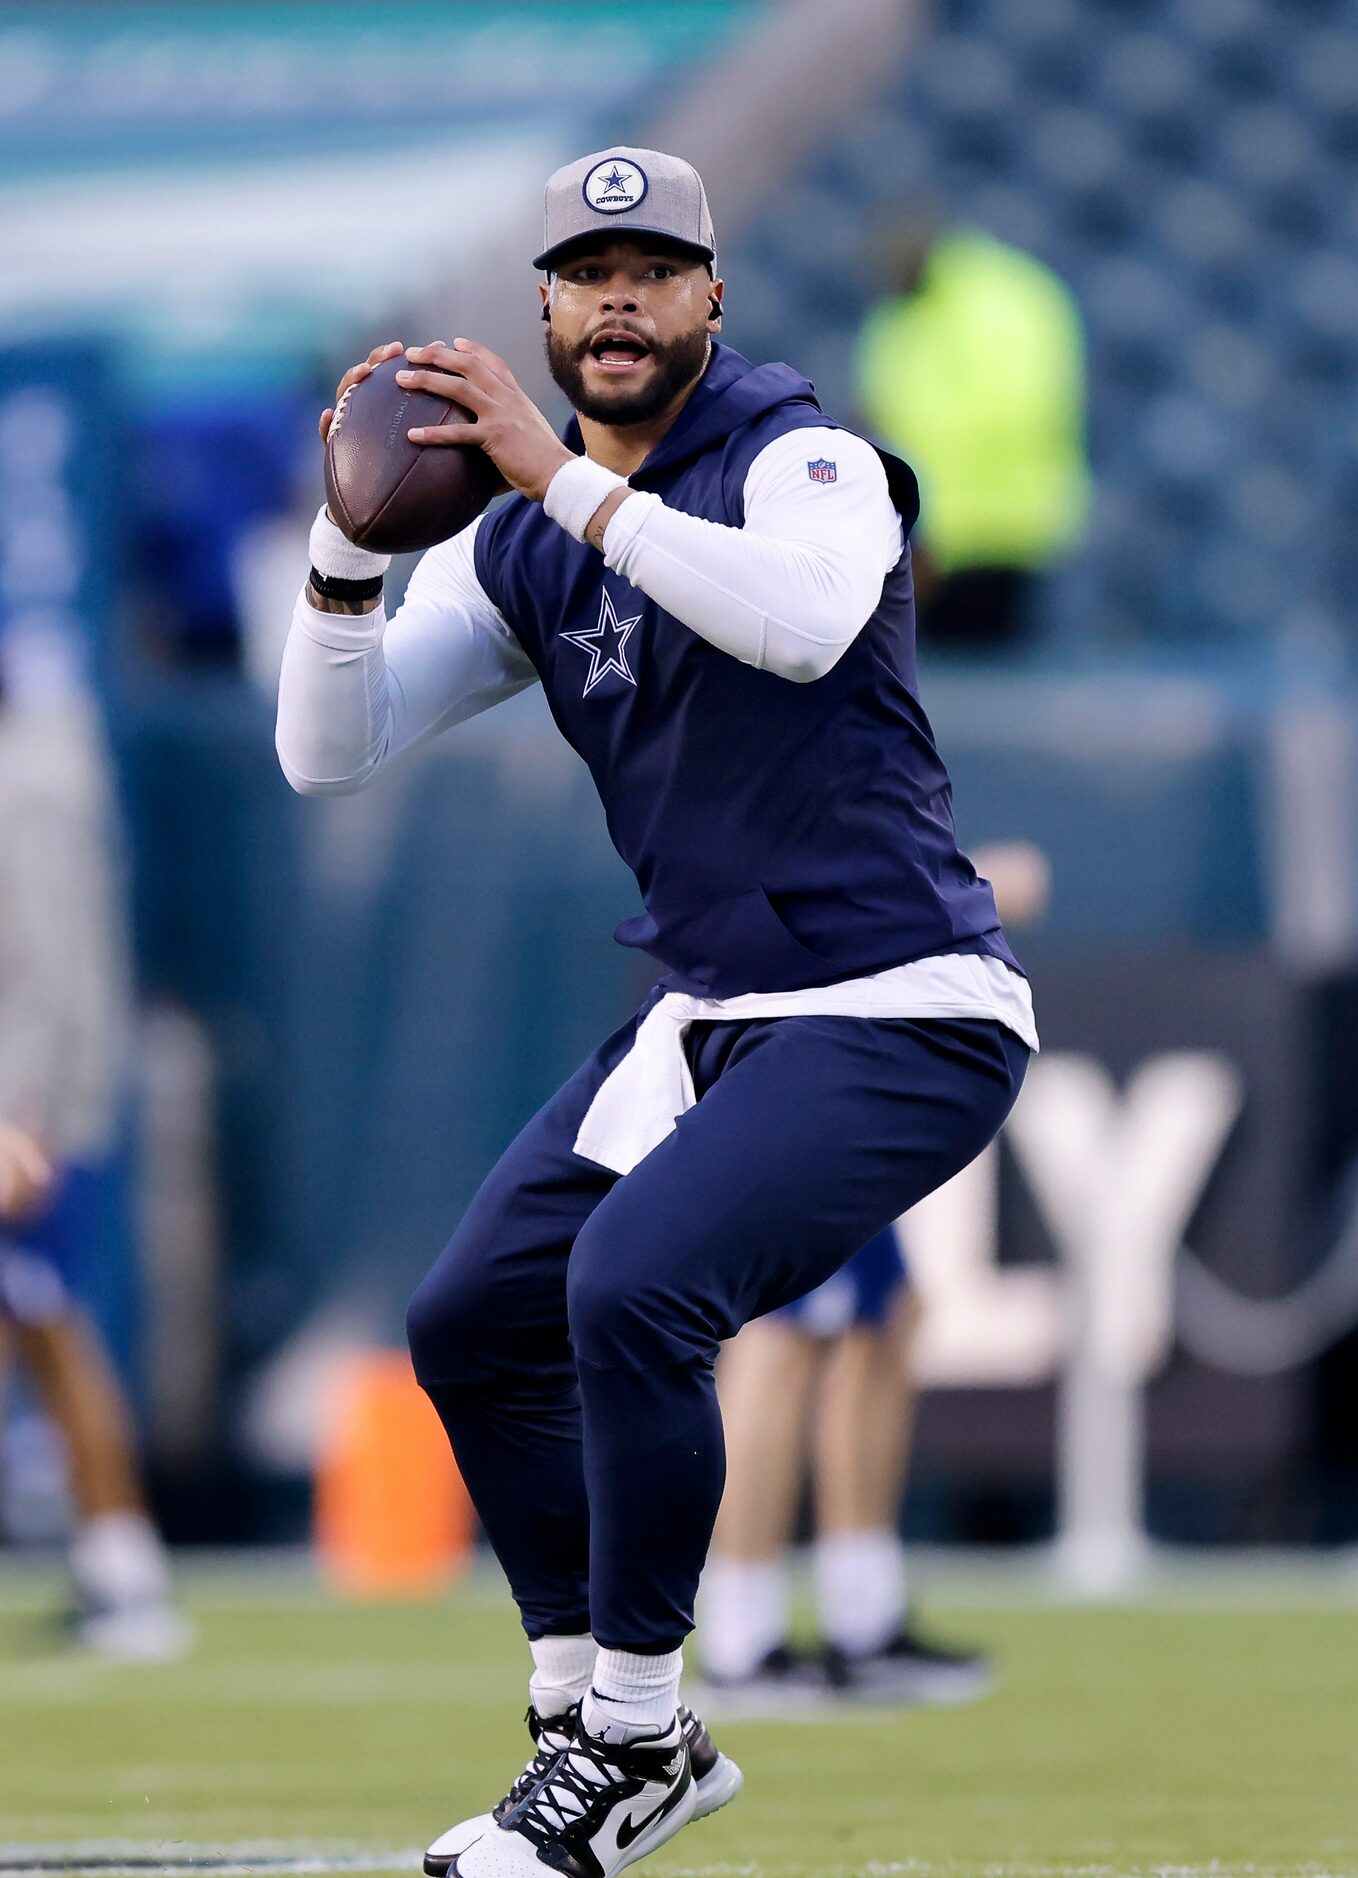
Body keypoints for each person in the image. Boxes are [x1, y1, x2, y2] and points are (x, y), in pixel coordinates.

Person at [276, 147, 1038, 1878]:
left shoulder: (805, 454)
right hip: (713, 1012)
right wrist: (339, 540)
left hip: (898, 1004)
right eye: (583, 269)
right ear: (539, 303)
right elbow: (327, 751)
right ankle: (592, 1727)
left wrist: (558, 481)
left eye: (653, 267)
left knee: (634, 1283)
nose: (617, 296)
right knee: (473, 1316)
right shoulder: (520, 540)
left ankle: (632, 1728)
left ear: (712, 297)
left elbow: (800, 618)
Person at [701, 844, 1051, 1709]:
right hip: (782, 1029)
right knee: (781, 1333)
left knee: (884, 1320)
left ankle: (864, 1617)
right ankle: (740, 1636)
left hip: (844, 1032)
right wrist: (973, 887)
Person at [0, 627, 190, 1660]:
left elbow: (46, 958)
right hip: (31, 1098)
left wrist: (22, 1111)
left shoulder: (28, 777)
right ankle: (121, 1568)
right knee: (44, 1325)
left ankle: (126, 1572)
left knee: (47, 1323)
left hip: (22, 1107)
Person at [855, 220, 1089, 651]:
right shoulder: (900, 316)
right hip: (935, 541)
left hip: (997, 535)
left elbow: (1017, 408)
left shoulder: (1000, 304)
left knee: (982, 682)